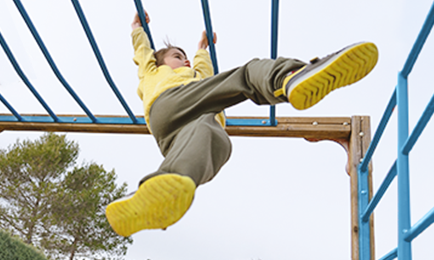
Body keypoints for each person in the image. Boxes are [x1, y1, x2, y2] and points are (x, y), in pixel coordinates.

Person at [105, 11, 379, 237]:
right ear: (160, 62)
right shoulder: (153, 71)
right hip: (172, 101)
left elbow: (205, 69)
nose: (184, 59)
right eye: (177, 56)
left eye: (186, 57)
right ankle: (290, 76)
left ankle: (164, 186)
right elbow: (142, 52)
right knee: (246, 75)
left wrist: (202, 49)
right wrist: (136, 28)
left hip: (175, 134)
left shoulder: (197, 74)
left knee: (215, 140)